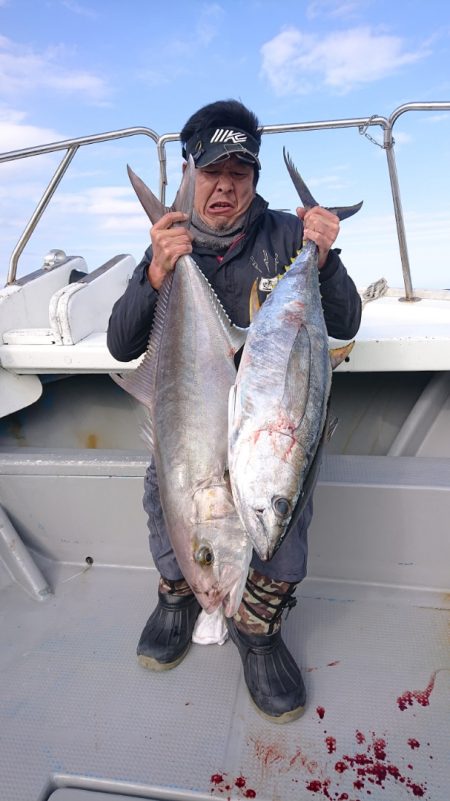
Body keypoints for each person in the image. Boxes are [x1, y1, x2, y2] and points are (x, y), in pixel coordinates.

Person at [107, 99, 361, 724]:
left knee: (282, 510)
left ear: (255, 180)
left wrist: (325, 258)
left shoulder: (284, 235)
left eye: (239, 175)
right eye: (213, 172)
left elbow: (348, 320)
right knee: (164, 494)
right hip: (190, 419)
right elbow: (121, 343)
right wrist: (159, 271)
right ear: (191, 172)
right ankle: (177, 596)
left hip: (264, 423)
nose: (225, 187)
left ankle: (259, 628)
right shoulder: (170, 239)